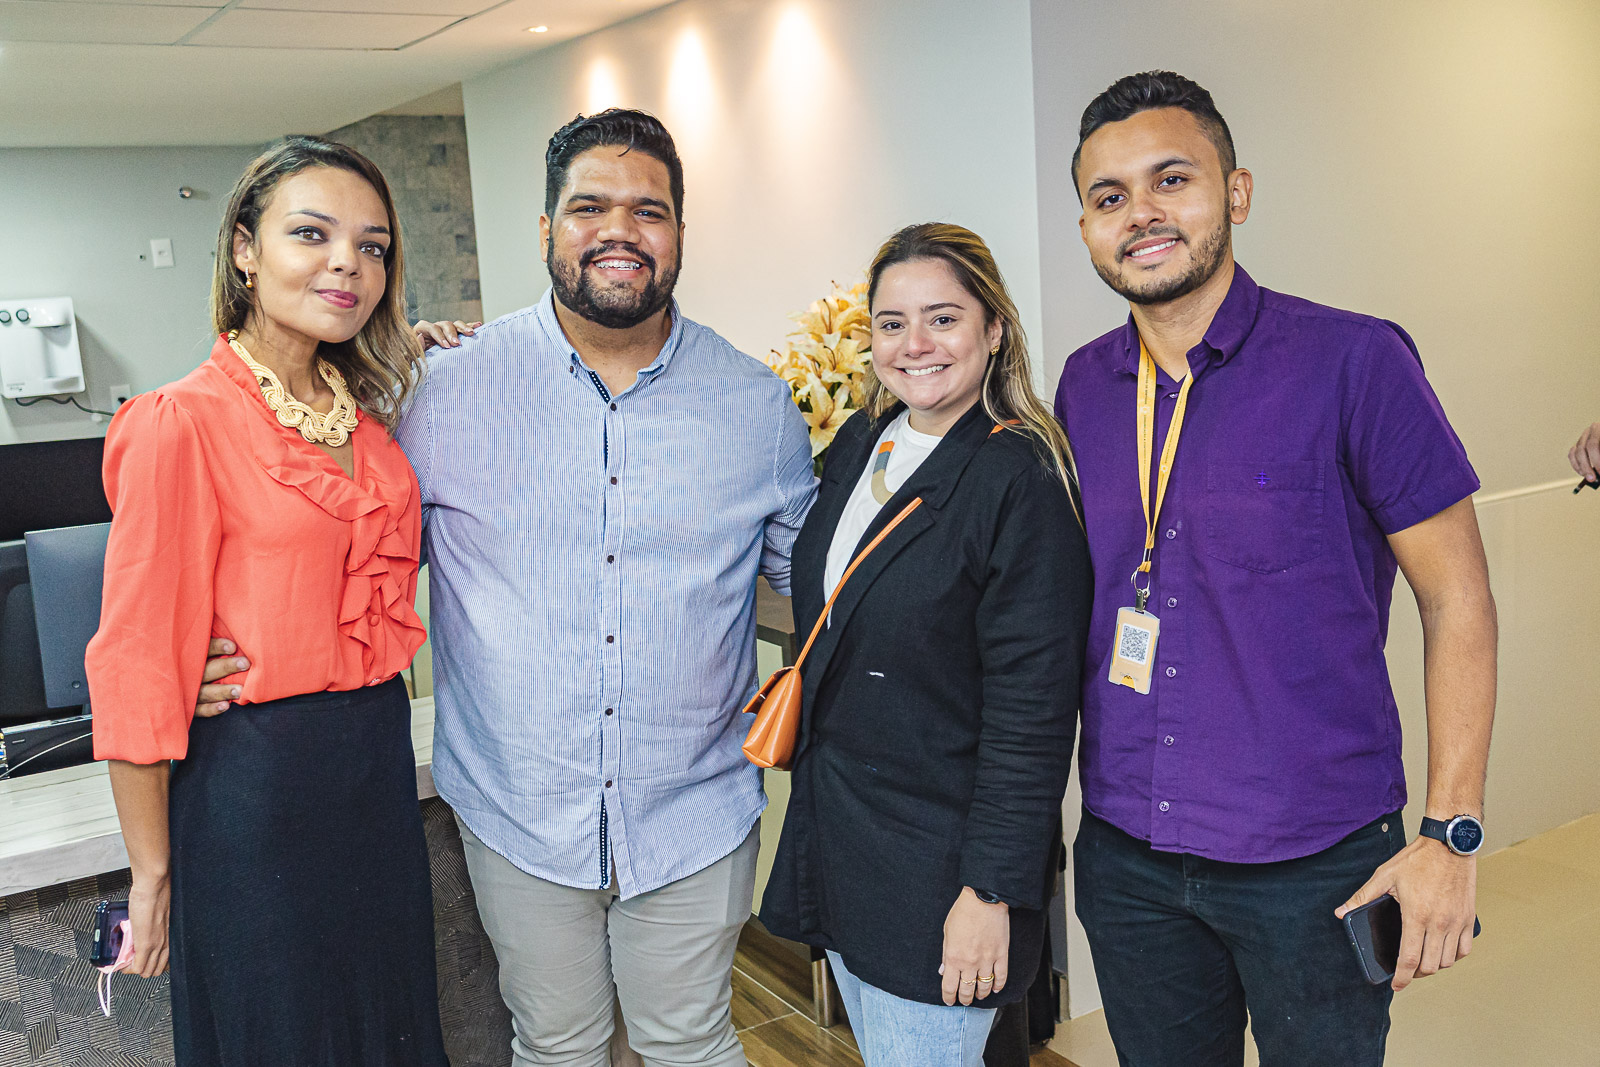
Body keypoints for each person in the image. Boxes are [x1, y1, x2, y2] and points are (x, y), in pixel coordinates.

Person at [197, 108, 816, 1067]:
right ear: (545, 231)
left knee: (691, 1041)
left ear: (680, 233)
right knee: (557, 1043)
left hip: (694, 804)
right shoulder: (443, 389)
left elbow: (816, 585)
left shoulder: (757, 407)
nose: (619, 230)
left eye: (649, 211)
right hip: (519, 809)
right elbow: (343, 553)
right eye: (589, 208)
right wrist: (208, 647)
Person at [1055, 72, 1498, 1066]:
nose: (1141, 213)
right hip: (1128, 853)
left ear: (1237, 192)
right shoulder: (1084, 384)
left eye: (1172, 179)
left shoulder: (1355, 361)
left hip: (1316, 861)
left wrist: (1450, 833)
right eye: (1110, 196)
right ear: (1086, 228)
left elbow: (1457, 598)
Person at [85, 136, 447, 1065]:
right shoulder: (181, 422)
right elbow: (135, 663)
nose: (347, 263)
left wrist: (441, 348)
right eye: (311, 234)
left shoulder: (369, 417)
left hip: (373, 768)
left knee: (390, 1028)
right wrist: (152, 872)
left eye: (372, 246)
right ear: (245, 250)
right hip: (255, 791)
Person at [759, 223, 1091, 1067]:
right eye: (892, 323)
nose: (916, 344)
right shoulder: (864, 442)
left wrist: (990, 892)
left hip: (939, 864)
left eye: (943, 319)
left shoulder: (1019, 477)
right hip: (845, 835)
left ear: (994, 329)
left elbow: (1033, 714)